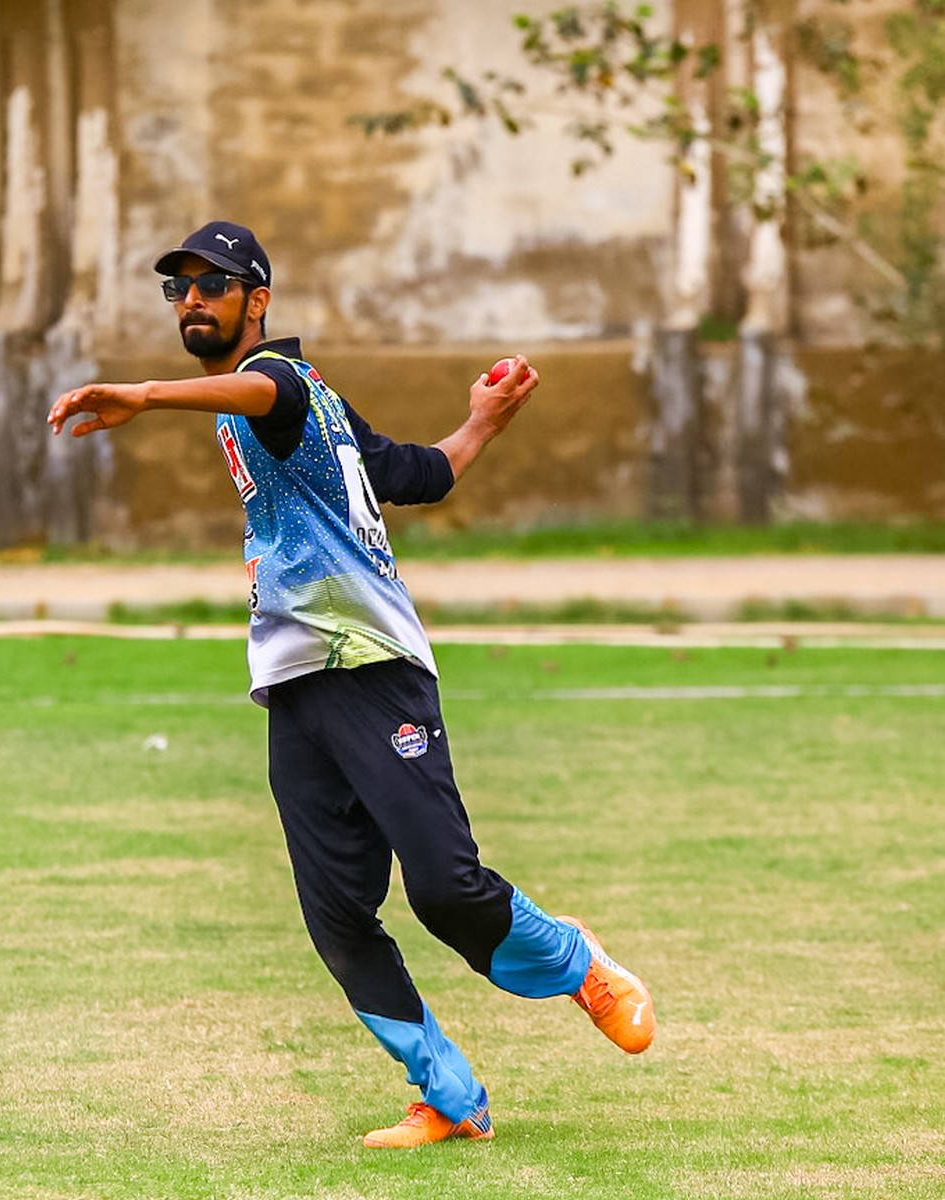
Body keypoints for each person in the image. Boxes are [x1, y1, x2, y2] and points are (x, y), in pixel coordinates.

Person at [47, 220, 656, 1150]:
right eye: (178, 289)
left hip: (372, 668)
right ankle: (448, 1096)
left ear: (257, 300)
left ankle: (576, 964)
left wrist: (142, 394)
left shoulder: (282, 382)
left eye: (212, 285)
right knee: (335, 916)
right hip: (294, 684)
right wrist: (480, 426)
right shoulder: (315, 407)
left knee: (444, 890)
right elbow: (412, 473)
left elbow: (264, 389)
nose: (191, 302)